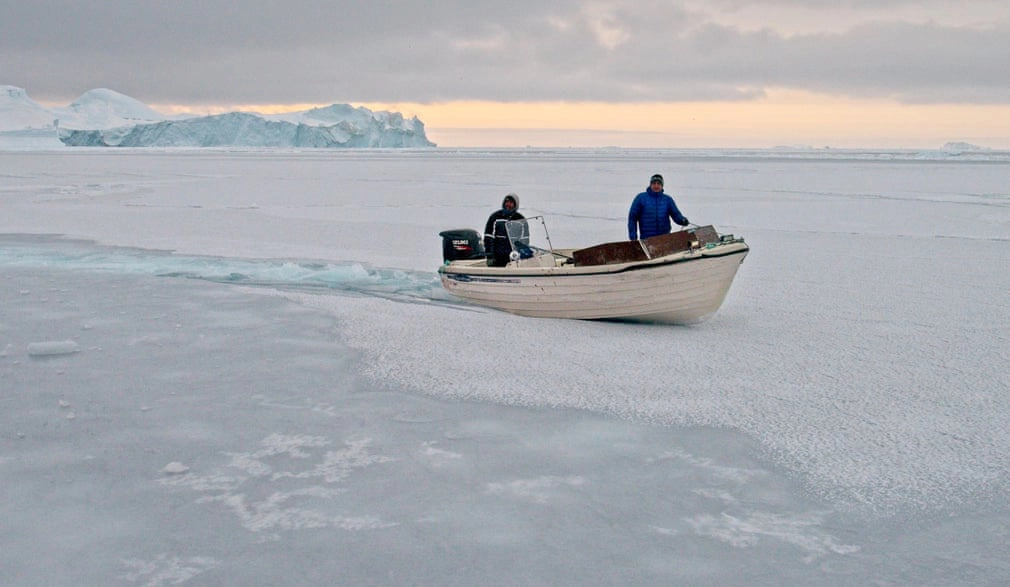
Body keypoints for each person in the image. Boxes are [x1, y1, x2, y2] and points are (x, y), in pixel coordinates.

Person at [627, 173, 689, 241]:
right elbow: (632, 219)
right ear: (650, 185)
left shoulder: (667, 200)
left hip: (665, 238)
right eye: (654, 183)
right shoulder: (641, 198)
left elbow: (676, 215)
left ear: (662, 186)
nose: (656, 186)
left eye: (658, 184)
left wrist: (682, 220)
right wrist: (633, 238)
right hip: (647, 239)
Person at [484, 193, 525, 266]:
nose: (508, 204)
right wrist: (489, 255)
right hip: (496, 255)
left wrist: (523, 253)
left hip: (513, 256)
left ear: (515, 205)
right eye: (507, 202)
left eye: (511, 203)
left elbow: (524, 239)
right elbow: (488, 236)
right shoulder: (495, 217)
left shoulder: (520, 219)